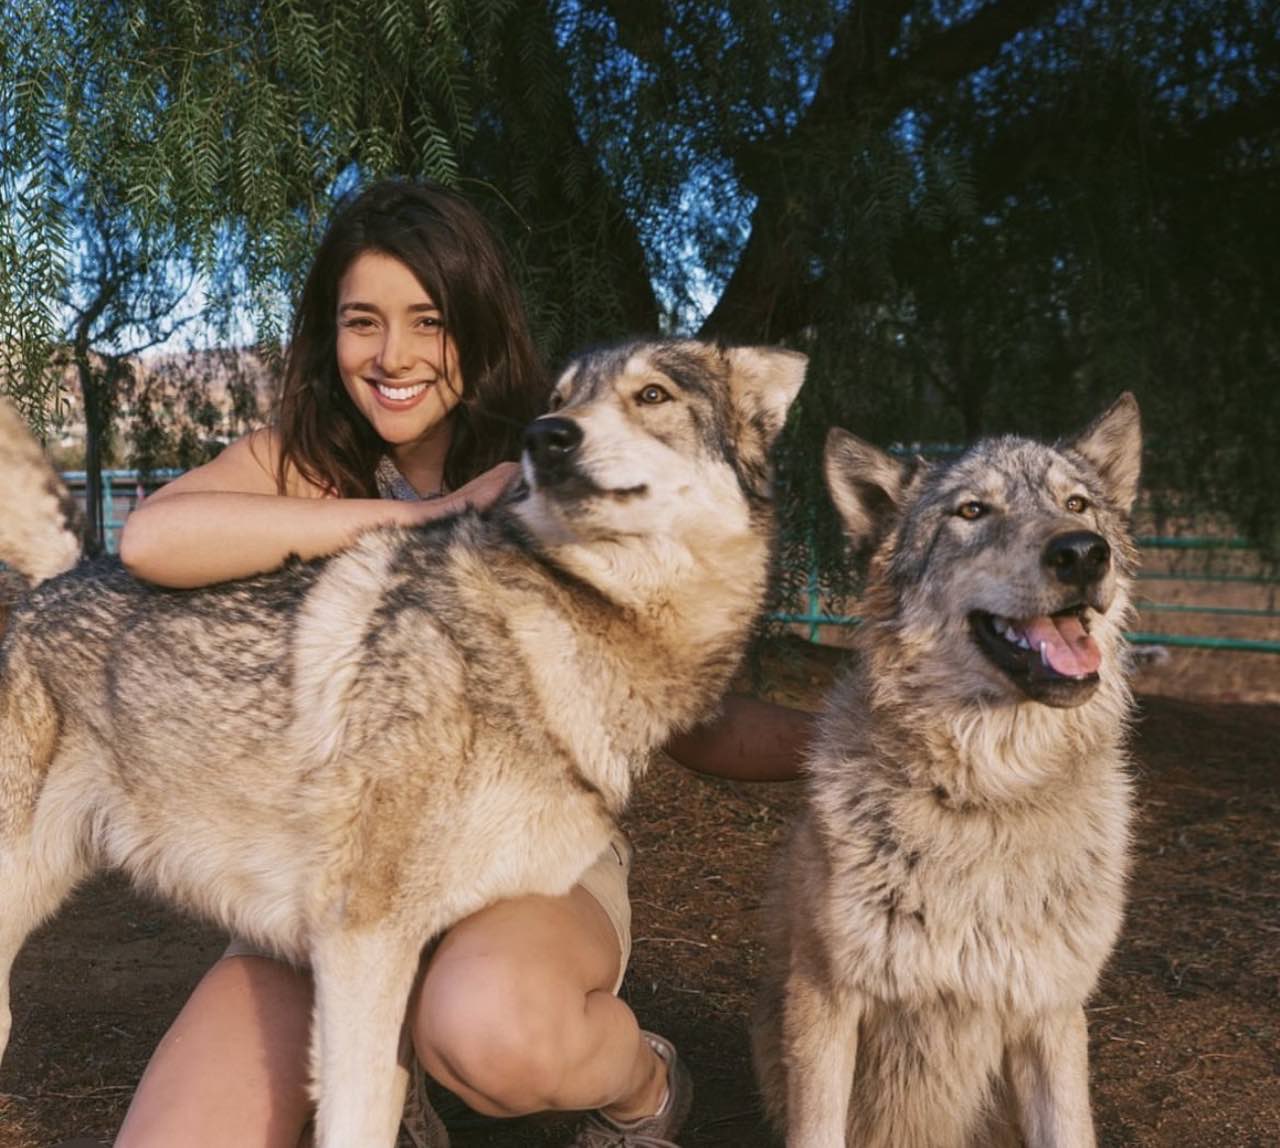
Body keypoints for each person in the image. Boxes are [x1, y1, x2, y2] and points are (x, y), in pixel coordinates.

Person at [111, 179, 813, 1148]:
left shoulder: (558, 453)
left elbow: (692, 713)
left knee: (492, 1030)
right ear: (330, 334)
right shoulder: (300, 462)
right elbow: (151, 539)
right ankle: (384, 1068)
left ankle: (641, 1088)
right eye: (362, 321)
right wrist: (420, 516)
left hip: (522, 866)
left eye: (428, 321)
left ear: (475, 325)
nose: (392, 356)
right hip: (342, 867)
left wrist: (850, 742)